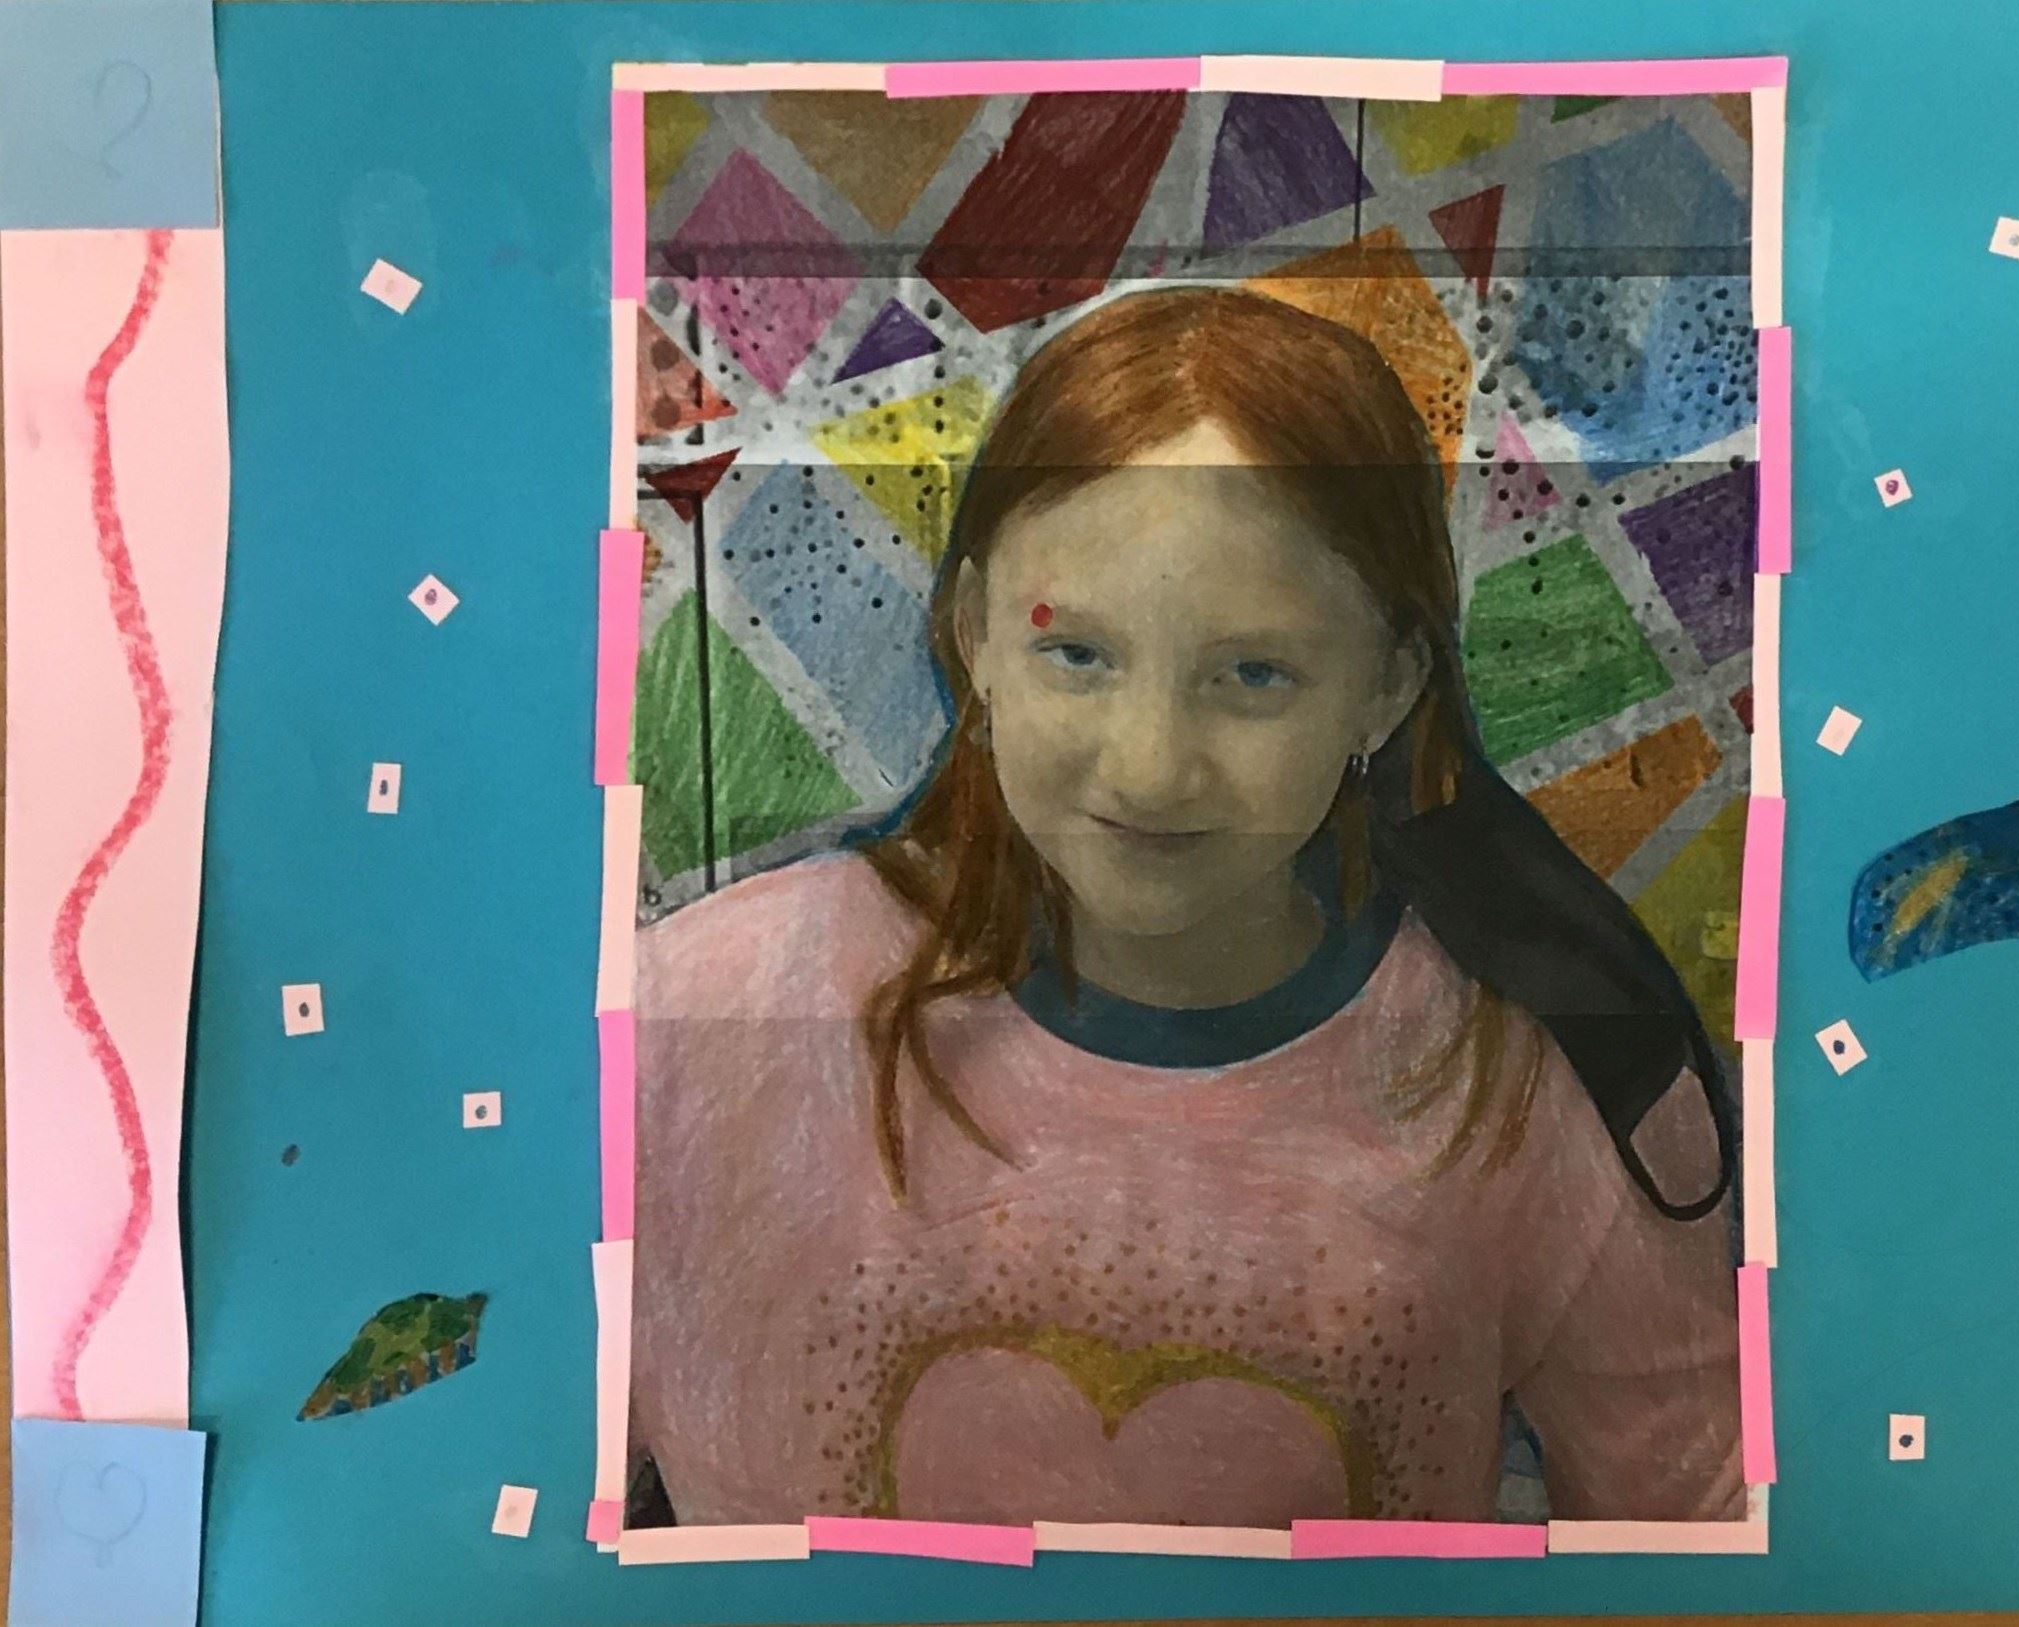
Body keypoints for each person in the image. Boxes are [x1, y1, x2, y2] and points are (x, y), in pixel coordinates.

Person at [631, 286, 1745, 1529]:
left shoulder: (1537, 1081)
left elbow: (1696, 1539)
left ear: (1387, 686)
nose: (1152, 767)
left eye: (1254, 673)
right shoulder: (689, 1021)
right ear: (974, 635)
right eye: (1077, 654)